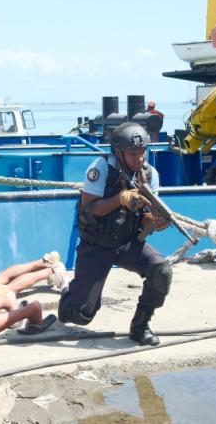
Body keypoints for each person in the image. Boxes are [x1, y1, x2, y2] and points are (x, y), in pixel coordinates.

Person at [58, 122, 172, 346]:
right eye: (133, 154)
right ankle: (68, 297)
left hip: (127, 243)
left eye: (142, 152)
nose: (140, 158)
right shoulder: (100, 168)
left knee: (161, 271)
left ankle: (140, 327)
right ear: (119, 153)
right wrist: (120, 199)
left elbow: (147, 218)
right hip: (97, 245)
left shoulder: (150, 175)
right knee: (81, 315)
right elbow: (89, 209)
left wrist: (157, 222)